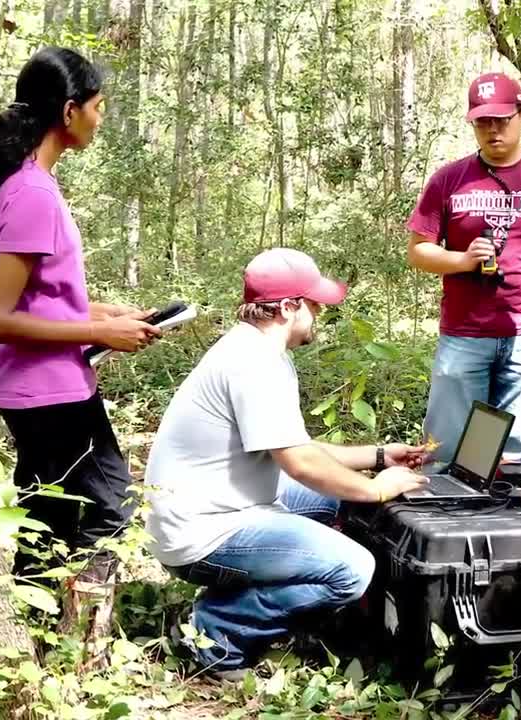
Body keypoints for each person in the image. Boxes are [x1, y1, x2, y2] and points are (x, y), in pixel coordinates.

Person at [145, 248, 428, 681]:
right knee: (354, 570)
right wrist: (375, 487)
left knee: (338, 503)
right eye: (314, 305)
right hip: (202, 532)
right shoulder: (253, 364)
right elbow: (298, 463)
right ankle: (213, 632)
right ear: (287, 307)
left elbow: (296, 446)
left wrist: (378, 456)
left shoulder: (253, 348)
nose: (319, 314)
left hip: (220, 506)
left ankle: (308, 609)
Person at [0, 47, 159, 587]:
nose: (101, 119)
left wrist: (106, 313)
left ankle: (33, 646)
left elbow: (36, 299)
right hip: (49, 394)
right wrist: (100, 331)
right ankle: (79, 641)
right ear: (69, 111)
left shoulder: (28, 184)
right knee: (112, 508)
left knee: (45, 524)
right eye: (98, 106)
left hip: (41, 389)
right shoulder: (31, 193)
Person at [406, 72, 521, 468]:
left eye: (502, 120)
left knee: (508, 457)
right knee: (446, 452)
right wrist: (461, 260)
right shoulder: (450, 179)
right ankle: (439, 522)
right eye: (482, 122)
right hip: (464, 336)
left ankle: (496, 522)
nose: (492, 131)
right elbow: (418, 252)